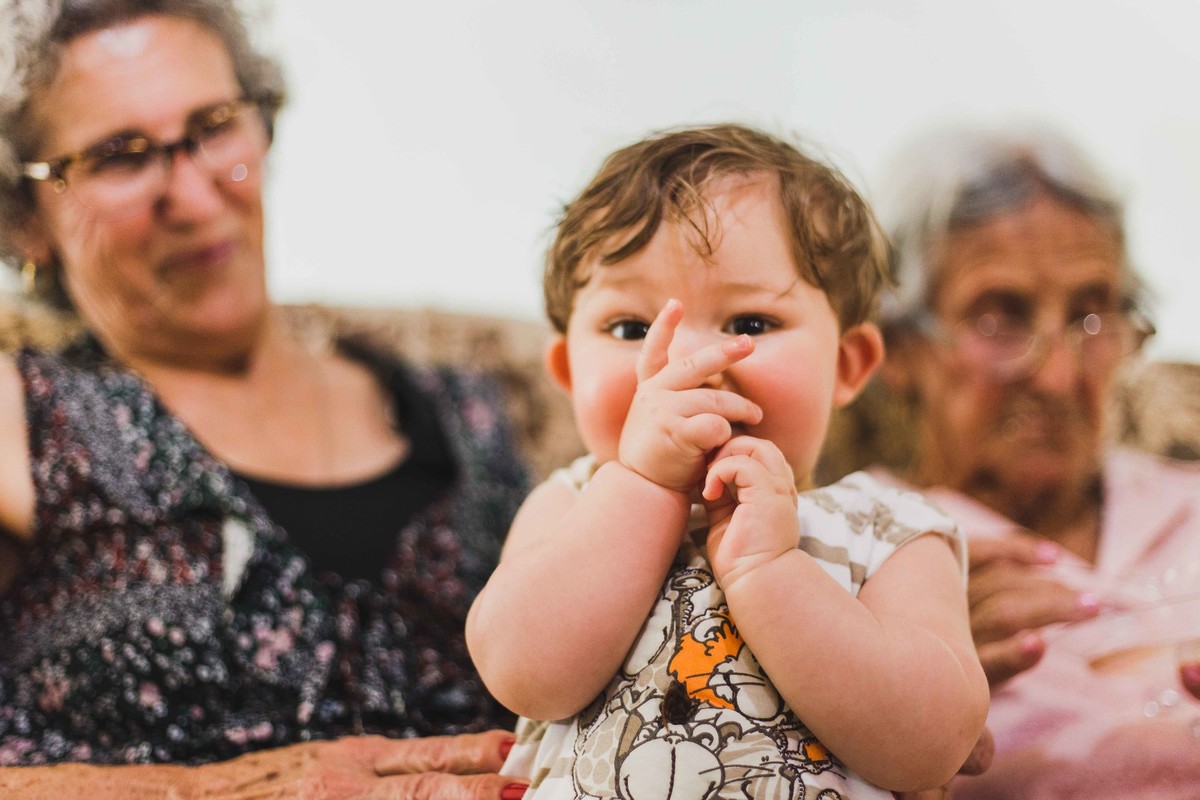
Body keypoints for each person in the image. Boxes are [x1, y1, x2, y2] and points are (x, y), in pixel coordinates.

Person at [0, 1, 532, 796]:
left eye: (214, 125)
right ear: (24, 218)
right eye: (121, 155)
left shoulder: (469, 413)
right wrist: (238, 789)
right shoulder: (24, 413)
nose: (193, 191)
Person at [466, 124, 990, 799]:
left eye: (748, 324)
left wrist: (768, 572)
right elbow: (521, 670)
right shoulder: (570, 503)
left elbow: (933, 745)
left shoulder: (889, 530)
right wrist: (644, 487)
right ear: (568, 370)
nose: (685, 361)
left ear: (848, 364)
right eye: (630, 328)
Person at [872, 124, 1200, 798]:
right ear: (900, 348)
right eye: (1001, 317)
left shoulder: (1188, 500)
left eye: (1092, 314)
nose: (1056, 377)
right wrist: (892, 685)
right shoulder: (848, 556)